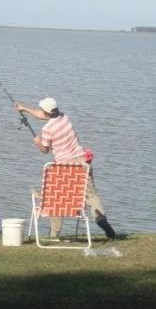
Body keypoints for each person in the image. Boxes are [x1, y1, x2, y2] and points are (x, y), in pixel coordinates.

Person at [14, 97, 116, 239]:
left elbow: (45, 150)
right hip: (82, 164)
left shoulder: (47, 129)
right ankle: (102, 221)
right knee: (92, 195)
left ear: (46, 112)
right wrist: (24, 108)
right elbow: (44, 115)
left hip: (63, 168)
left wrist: (37, 142)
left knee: (56, 198)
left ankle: (54, 233)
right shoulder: (64, 117)